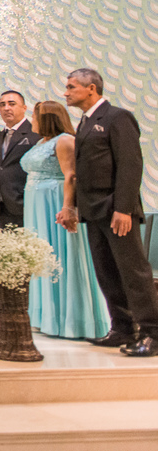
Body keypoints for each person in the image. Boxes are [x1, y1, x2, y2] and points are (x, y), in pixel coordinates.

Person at [62, 68, 158, 356]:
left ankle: (153, 333)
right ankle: (122, 328)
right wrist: (74, 207)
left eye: (71, 87)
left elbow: (130, 165)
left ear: (91, 89)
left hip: (116, 209)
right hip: (93, 211)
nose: (66, 92)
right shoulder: (85, 123)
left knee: (133, 273)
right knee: (107, 273)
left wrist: (124, 209)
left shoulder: (117, 117)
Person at [23, 100, 109, 339]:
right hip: (35, 203)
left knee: (61, 254)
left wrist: (67, 207)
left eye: (36, 116)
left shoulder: (64, 140)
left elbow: (71, 175)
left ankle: (72, 319)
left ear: (48, 118)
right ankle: (45, 315)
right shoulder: (42, 142)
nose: (33, 120)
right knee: (41, 257)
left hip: (54, 201)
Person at [0, 90, 39, 229]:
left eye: (12, 104)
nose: (6, 108)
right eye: (2, 105)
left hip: (27, 203)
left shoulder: (35, 134)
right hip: (1, 206)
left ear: (24, 108)